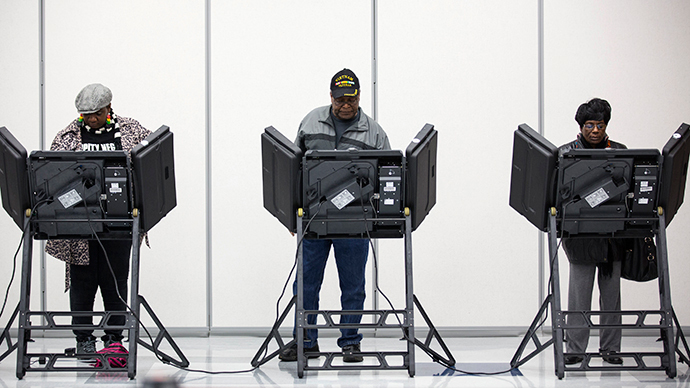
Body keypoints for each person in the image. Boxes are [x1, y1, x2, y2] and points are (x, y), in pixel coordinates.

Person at [279, 69, 390, 363]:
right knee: (305, 283)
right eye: (340, 99)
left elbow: (386, 176)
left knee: (352, 285)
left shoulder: (374, 132)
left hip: (354, 224)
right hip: (314, 221)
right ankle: (305, 341)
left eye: (351, 98)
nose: (346, 104)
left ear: (359, 96)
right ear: (331, 97)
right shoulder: (311, 122)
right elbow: (293, 169)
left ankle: (350, 342)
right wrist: (292, 213)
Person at [45, 83, 151, 357]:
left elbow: (150, 160)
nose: (91, 119)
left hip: (119, 222)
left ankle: (114, 338)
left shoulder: (130, 130)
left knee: (115, 279)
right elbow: (51, 175)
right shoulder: (69, 135)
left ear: (109, 108)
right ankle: (83, 338)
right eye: (85, 115)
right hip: (80, 223)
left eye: (96, 113)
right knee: (83, 281)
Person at [559, 98, 626, 365]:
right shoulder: (566, 153)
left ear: (606, 125)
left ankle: (611, 350)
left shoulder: (621, 152)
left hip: (612, 235)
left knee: (611, 297)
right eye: (590, 125)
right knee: (579, 296)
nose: (595, 130)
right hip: (580, 235)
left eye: (600, 125)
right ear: (581, 126)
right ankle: (576, 349)